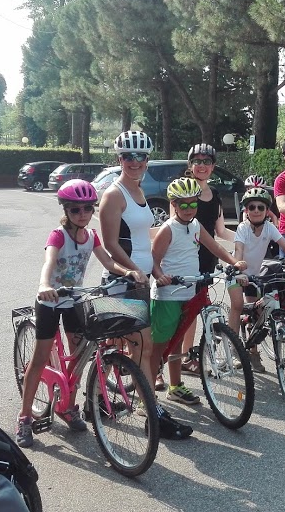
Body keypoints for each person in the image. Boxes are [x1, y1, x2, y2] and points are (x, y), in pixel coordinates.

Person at [16, 179, 133, 448]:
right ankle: (24, 417)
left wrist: (128, 271)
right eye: (75, 209)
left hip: (74, 301)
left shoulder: (91, 236)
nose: (82, 214)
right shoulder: (58, 235)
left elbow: (108, 261)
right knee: (40, 358)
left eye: (87, 208)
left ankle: (67, 406)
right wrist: (45, 285)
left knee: (79, 355)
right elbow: (49, 261)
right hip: (50, 301)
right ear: (66, 211)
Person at [99, 130, 192, 438]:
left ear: (147, 159)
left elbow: (141, 241)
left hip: (141, 279)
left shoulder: (138, 191)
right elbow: (111, 244)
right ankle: (152, 412)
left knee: (126, 345)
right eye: (128, 156)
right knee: (143, 345)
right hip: (122, 282)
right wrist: (133, 271)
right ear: (119, 159)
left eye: (140, 156)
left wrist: (155, 268)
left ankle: (104, 400)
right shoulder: (114, 195)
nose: (135, 162)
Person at [148, 177, 246, 408]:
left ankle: (175, 387)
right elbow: (153, 260)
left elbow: (215, 246)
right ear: (173, 204)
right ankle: (147, 396)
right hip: (168, 294)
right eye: (183, 204)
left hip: (189, 290)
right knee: (159, 346)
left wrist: (234, 261)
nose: (189, 209)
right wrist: (159, 276)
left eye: (193, 204)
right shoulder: (168, 229)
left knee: (178, 341)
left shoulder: (195, 225)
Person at [225, 187, 285, 372]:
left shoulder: (270, 228)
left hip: (255, 277)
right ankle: (233, 347)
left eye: (260, 207)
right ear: (246, 210)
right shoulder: (243, 228)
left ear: (266, 211)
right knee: (238, 305)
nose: (256, 210)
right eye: (252, 207)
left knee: (257, 313)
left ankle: (253, 352)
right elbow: (238, 250)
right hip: (237, 275)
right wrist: (239, 269)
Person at [178, 143, 236, 376]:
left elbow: (220, 231)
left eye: (207, 162)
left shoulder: (215, 194)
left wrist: (247, 237)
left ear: (213, 166)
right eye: (197, 161)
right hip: (185, 259)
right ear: (190, 164)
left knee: (192, 311)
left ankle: (185, 357)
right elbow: (176, 228)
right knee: (179, 313)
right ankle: (169, 360)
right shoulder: (183, 190)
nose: (202, 166)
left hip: (206, 260)